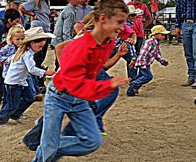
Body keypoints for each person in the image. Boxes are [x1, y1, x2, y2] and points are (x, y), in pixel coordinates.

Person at [22, 0, 131, 162]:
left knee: (92, 141)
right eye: (119, 22)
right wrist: (107, 85)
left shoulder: (108, 43)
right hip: (59, 96)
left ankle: (52, 149)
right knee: (48, 144)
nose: (123, 27)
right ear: (102, 19)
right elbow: (74, 82)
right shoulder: (81, 46)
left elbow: (92, 72)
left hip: (78, 97)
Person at [22, 10, 130, 146]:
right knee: (64, 108)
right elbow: (60, 47)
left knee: (68, 108)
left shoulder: (100, 43)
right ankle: (36, 138)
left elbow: (103, 67)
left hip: (81, 81)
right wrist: (65, 69)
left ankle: (36, 138)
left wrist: (118, 55)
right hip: (69, 81)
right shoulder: (84, 38)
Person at [0, 27, 55, 125]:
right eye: (40, 46)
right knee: (12, 104)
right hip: (14, 82)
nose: (41, 49)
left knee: (29, 98)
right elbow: (31, 69)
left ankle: (15, 114)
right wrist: (45, 73)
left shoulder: (21, 51)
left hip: (19, 81)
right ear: (32, 43)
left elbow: (11, 59)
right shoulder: (27, 54)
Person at [19, 0, 53, 92]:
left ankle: (38, 82)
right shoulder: (35, 1)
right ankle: (36, 83)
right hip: (38, 31)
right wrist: (32, 15)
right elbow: (22, 7)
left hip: (45, 31)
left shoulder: (45, 3)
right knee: (37, 57)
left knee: (41, 56)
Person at [126, 25, 170, 96]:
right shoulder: (149, 42)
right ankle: (133, 84)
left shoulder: (155, 43)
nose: (164, 36)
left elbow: (156, 54)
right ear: (156, 34)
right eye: (162, 34)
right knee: (148, 76)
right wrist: (142, 64)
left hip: (146, 63)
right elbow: (143, 53)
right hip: (143, 63)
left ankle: (131, 91)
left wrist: (162, 61)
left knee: (141, 77)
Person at [52, 0, 81, 70]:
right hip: (60, 41)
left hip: (58, 41)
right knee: (62, 66)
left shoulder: (70, 10)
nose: (80, 0)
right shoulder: (70, 12)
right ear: (71, 0)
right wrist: (68, 46)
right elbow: (66, 31)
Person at [127, 0, 152, 65]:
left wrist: (143, 27)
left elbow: (149, 18)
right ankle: (132, 76)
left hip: (140, 34)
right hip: (130, 34)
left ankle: (137, 74)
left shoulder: (143, 6)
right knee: (130, 55)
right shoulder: (128, 6)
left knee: (139, 54)